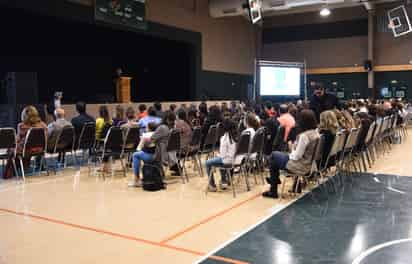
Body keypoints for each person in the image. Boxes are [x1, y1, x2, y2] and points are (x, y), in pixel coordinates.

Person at [263, 110, 320, 199]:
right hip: (310, 164)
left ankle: (273, 189)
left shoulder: (304, 136)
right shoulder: (316, 133)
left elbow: (296, 156)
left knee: (274, 155)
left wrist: (292, 150)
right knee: (277, 156)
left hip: (300, 165)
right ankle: (285, 183)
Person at [3, 106, 48, 179]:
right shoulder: (43, 126)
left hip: (26, 150)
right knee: (20, 149)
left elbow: (16, 141)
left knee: (12, 150)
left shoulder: (21, 126)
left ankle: (9, 174)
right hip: (40, 149)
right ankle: (24, 167)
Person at [205, 119, 237, 191]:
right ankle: (224, 182)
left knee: (207, 163)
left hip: (227, 161)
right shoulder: (235, 136)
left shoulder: (224, 138)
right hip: (234, 160)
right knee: (219, 160)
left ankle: (212, 185)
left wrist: (218, 155)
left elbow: (222, 156)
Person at [128, 122, 158, 187]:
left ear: (149, 129)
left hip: (150, 156)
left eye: (146, 128)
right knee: (141, 154)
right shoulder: (157, 134)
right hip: (158, 156)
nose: (145, 129)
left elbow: (138, 148)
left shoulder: (146, 135)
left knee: (135, 155)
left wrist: (142, 140)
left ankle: (136, 179)